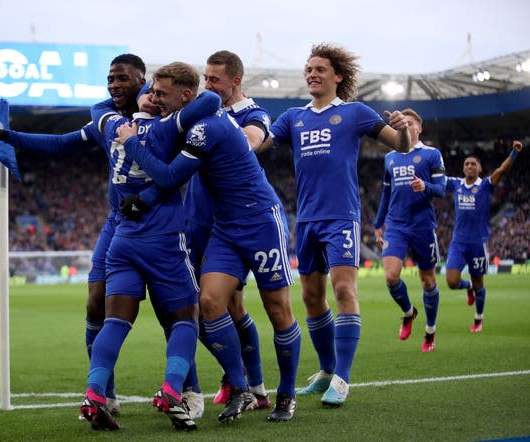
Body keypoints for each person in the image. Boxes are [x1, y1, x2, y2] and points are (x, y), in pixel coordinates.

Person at [115, 61, 301, 423]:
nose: (156, 99)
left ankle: (287, 394)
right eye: (153, 92)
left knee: (278, 309)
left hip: (260, 219)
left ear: (186, 95)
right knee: (210, 302)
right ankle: (240, 386)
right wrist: (143, 200)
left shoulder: (205, 127)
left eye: (162, 94)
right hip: (225, 227)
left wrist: (132, 144)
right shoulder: (192, 123)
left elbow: (169, 176)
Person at [0, 53, 148, 416]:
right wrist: (10, 136)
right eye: (110, 78)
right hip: (118, 222)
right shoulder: (104, 117)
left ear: (142, 80)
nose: (114, 84)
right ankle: (105, 392)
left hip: (163, 223)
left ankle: (187, 390)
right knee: (95, 301)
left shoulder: (165, 112)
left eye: (123, 78)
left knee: (173, 312)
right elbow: (62, 143)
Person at [259, 43, 411, 407]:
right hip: (307, 218)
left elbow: (402, 147)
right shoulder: (293, 117)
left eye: (320, 69)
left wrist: (403, 129)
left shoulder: (355, 113)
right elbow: (259, 145)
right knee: (312, 297)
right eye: (308, 69)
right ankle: (326, 370)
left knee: (344, 290)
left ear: (337, 76)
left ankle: (342, 378)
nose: (312, 74)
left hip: (341, 216)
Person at [82, 65, 221, 431]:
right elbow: (210, 99)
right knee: (185, 320)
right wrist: (169, 106)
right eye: (154, 93)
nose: (156, 97)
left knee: (115, 320)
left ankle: (95, 393)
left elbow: (91, 119)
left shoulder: (114, 126)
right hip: (163, 241)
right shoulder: (167, 127)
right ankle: (173, 389)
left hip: (122, 240)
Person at [191, 50, 272, 409]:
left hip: (228, 223)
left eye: (214, 80)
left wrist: (217, 129)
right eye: (204, 78)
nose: (207, 86)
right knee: (202, 307)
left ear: (235, 81)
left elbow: (252, 140)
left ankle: (251, 385)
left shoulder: (252, 115)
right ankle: (238, 376)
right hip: (195, 219)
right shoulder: (205, 110)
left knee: (227, 305)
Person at [373, 108, 446, 353]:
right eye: (402, 123)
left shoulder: (431, 154)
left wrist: (425, 185)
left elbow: (442, 189)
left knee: (428, 281)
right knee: (391, 276)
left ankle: (430, 331)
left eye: (410, 122)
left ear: (419, 127)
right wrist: (377, 224)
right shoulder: (390, 158)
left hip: (423, 225)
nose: (405, 126)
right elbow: (385, 192)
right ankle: (408, 312)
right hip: (396, 225)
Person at [444, 140, 524, 332]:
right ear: (463, 169)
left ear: (479, 168)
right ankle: (468, 287)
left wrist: (514, 153)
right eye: (467, 164)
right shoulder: (455, 184)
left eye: (473, 164)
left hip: (478, 244)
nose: (470, 166)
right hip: (458, 243)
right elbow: (436, 178)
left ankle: (478, 318)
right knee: (452, 282)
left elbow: (501, 171)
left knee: (480, 283)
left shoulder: (486, 185)